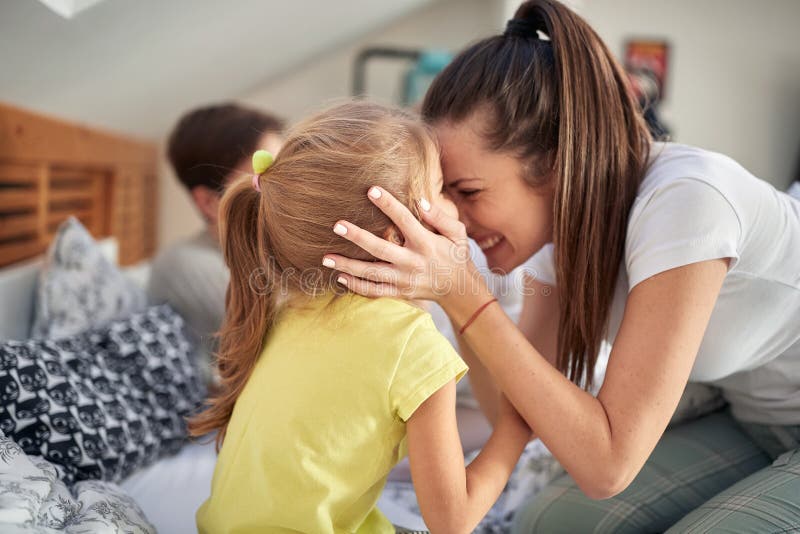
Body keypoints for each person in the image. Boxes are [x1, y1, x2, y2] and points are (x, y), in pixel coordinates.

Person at [324, 1, 800, 531]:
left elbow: (608, 465)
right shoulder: (560, 239)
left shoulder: (688, 201)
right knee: (548, 522)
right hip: (751, 418)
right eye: (445, 193)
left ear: (556, 164)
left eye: (469, 191)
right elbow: (514, 405)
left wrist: (468, 295)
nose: (454, 214)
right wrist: (456, 296)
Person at [188, 101, 531, 534]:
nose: (457, 209)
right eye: (442, 190)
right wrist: (513, 433)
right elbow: (453, 520)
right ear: (393, 233)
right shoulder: (414, 347)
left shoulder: (286, 309)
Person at [148, 103, 284, 383]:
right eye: (269, 176)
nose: (292, 186)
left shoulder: (270, 251)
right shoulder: (183, 264)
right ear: (210, 202)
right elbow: (294, 337)